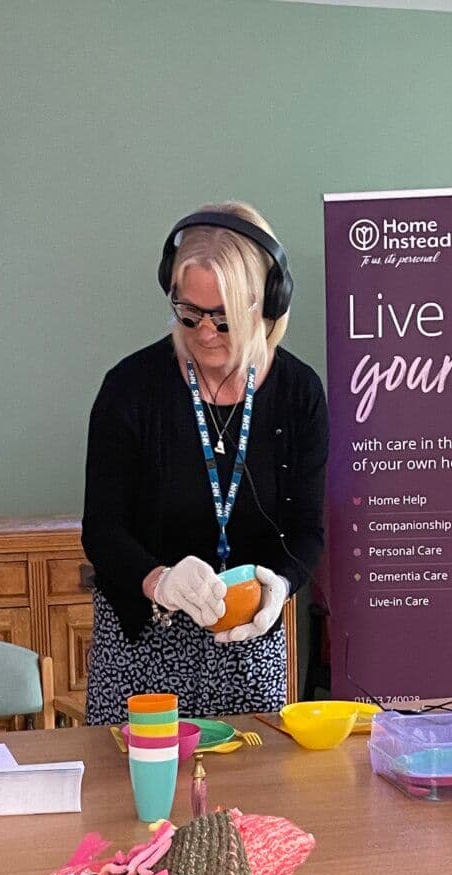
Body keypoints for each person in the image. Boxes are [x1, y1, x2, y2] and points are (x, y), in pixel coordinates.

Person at [81, 202, 329, 725]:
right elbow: (102, 530)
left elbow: (306, 532)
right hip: (141, 650)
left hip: (247, 650)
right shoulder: (130, 390)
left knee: (250, 805)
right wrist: (158, 580)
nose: (206, 333)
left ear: (267, 305)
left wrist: (280, 586)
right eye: (189, 313)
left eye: (224, 317)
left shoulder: (299, 396)